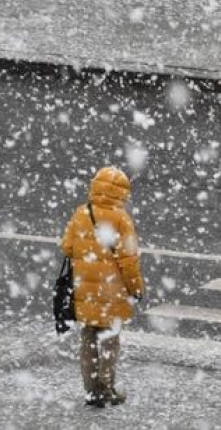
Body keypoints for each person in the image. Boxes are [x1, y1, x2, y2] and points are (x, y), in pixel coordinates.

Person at [61, 166, 145, 407]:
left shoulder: (81, 213)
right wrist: (136, 288)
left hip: (84, 291)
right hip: (112, 293)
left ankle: (91, 391)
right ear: (122, 193)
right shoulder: (122, 219)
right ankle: (107, 389)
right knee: (109, 340)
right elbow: (129, 261)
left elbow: (67, 247)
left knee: (88, 339)